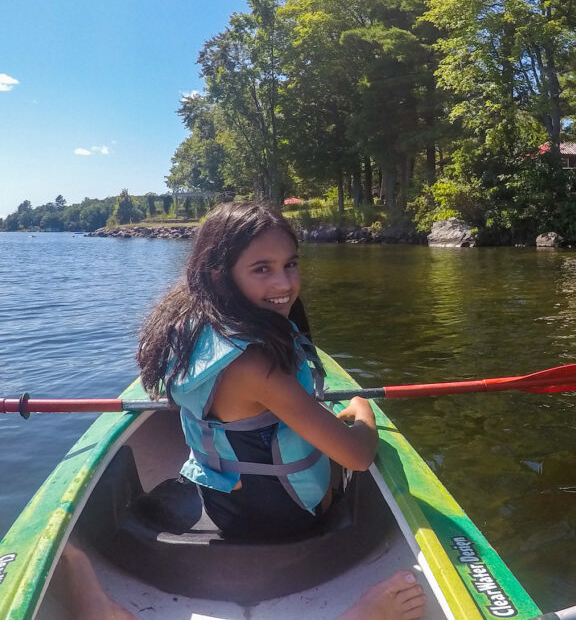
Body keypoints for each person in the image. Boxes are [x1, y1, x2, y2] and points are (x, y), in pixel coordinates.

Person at [135, 201, 426, 620]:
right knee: (350, 446)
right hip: (287, 519)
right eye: (262, 269)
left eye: (290, 264)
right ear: (221, 275)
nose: (284, 283)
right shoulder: (254, 366)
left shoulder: (191, 326)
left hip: (225, 506)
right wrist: (363, 411)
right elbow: (358, 457)